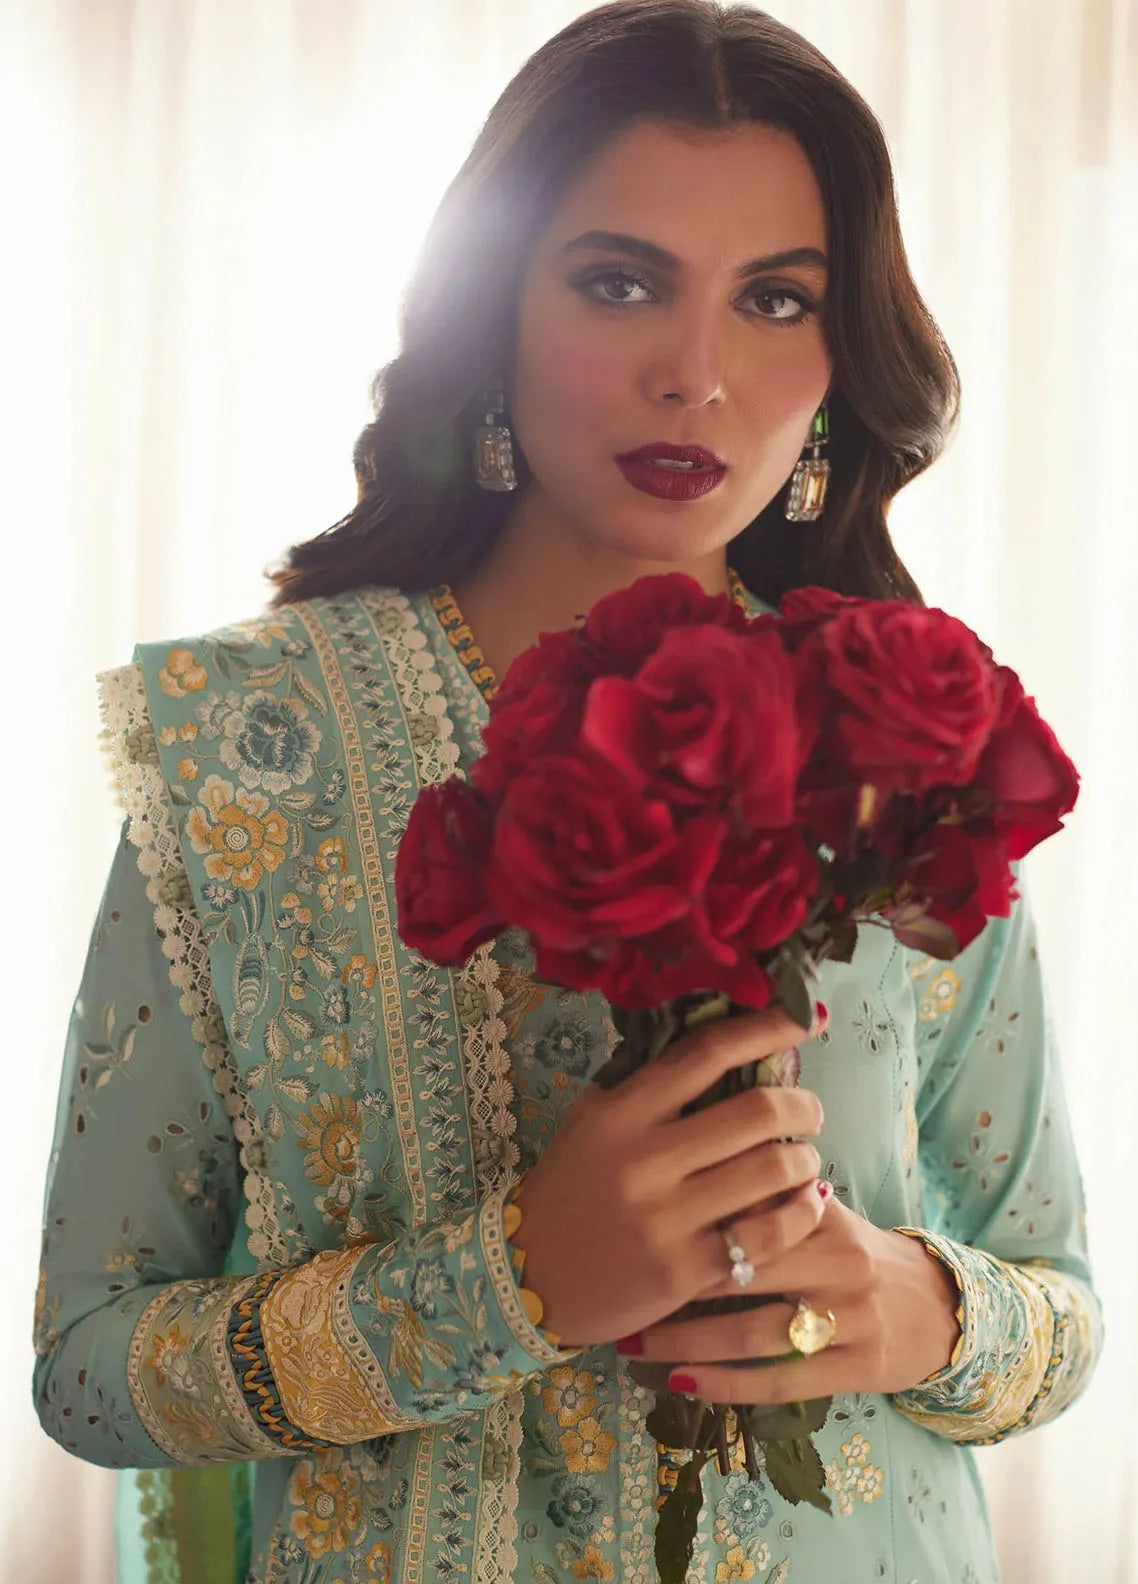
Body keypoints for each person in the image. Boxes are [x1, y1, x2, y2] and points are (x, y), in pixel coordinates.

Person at [34, 3, 1103, 1581]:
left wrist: (920, 1307)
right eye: (618, 282)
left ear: (837, 360)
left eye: (774, 299)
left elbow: (1057, 1304)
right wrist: (507, 1285)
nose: (692, 374)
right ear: (494, 315)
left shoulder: (897, 743)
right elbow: (88, 1368)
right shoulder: (250, 745)